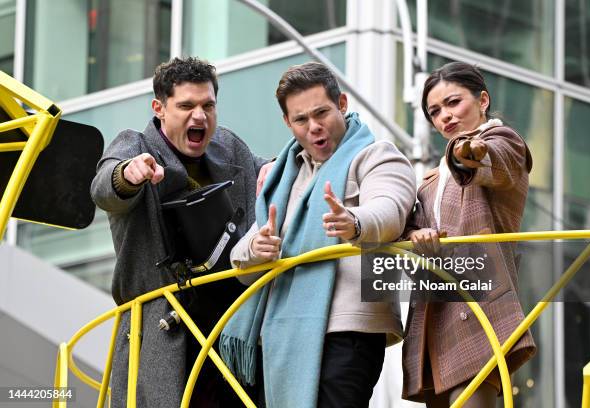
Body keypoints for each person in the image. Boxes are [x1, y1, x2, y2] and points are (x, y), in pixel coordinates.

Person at [219, 61, 416, 408]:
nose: (314, 127)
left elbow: (390, 209)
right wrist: (258, 246)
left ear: (342, 104)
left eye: (321, 112)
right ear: (287, 122)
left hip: (346, 331)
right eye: (301, 119)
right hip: (280, 337)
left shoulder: (376, 155)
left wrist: (354, 221)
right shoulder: (283, 176)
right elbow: (240, 254)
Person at [90, 56, 268, 407]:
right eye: (186, 105)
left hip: (234, 328)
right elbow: (103, 188)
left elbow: (268, 170)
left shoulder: (230, 147)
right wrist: (129, 173)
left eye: (208, 105)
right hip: (164, 331)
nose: (199, 116)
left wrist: (282, 165)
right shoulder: (135, 145)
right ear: (159, 108)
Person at [401, 61, 537, 407]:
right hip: (435, 313)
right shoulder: (431, 181)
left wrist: (469, 152)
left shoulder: (502, 139)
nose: (444, 116)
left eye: (453, 102)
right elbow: (411, 230)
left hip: (479, 306)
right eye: (434, 111)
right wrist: (418, 238)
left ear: (483, 100)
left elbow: (493, 160)